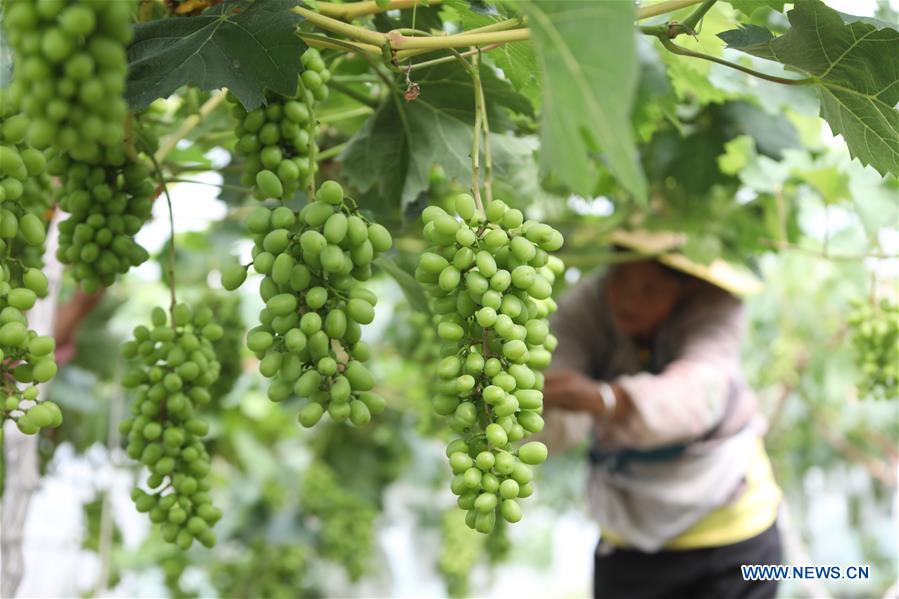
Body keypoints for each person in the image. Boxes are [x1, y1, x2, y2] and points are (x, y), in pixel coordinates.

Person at [540, 230, 783, 599]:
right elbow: (558, 419)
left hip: (732, 529)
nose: (628, 299)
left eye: (649, 290)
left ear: (685, 290)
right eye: (620, 279)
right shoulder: (586, 306)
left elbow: (699, 397)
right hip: (630, 535)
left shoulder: (715, 306)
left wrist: (604, 399)